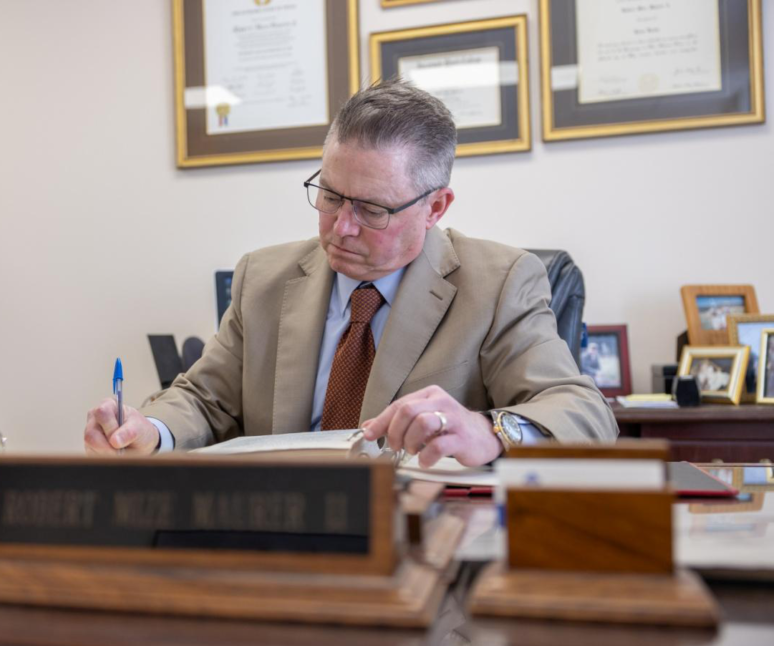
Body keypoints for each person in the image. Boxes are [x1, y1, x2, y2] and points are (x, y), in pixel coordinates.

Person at [85, 79, 618, 467]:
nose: (340, 227)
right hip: (280, 535)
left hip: (418, 544)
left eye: (371, 209)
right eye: (331, 196)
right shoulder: (263, 277)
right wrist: (147, 428)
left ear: (435, 209)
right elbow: (205, 399)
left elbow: (583, 412)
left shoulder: (500, 283)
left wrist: (491, 430)